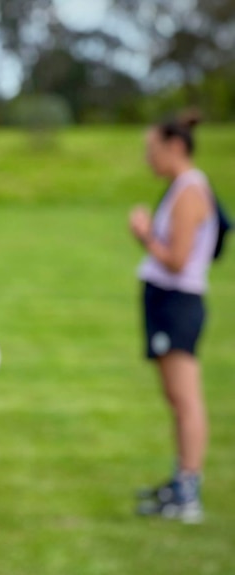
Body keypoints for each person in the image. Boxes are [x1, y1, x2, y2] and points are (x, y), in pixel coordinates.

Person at [129, 113, 217, 523]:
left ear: (175, 147)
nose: (149, 158)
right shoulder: (183, 187)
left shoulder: (190, 191)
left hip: (177, 302)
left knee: (185, 399)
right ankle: (180, 484)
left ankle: (188, 492)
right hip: (169, 302)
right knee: (177, 399)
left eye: (154, 150)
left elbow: (178, 261)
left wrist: (146, 234)